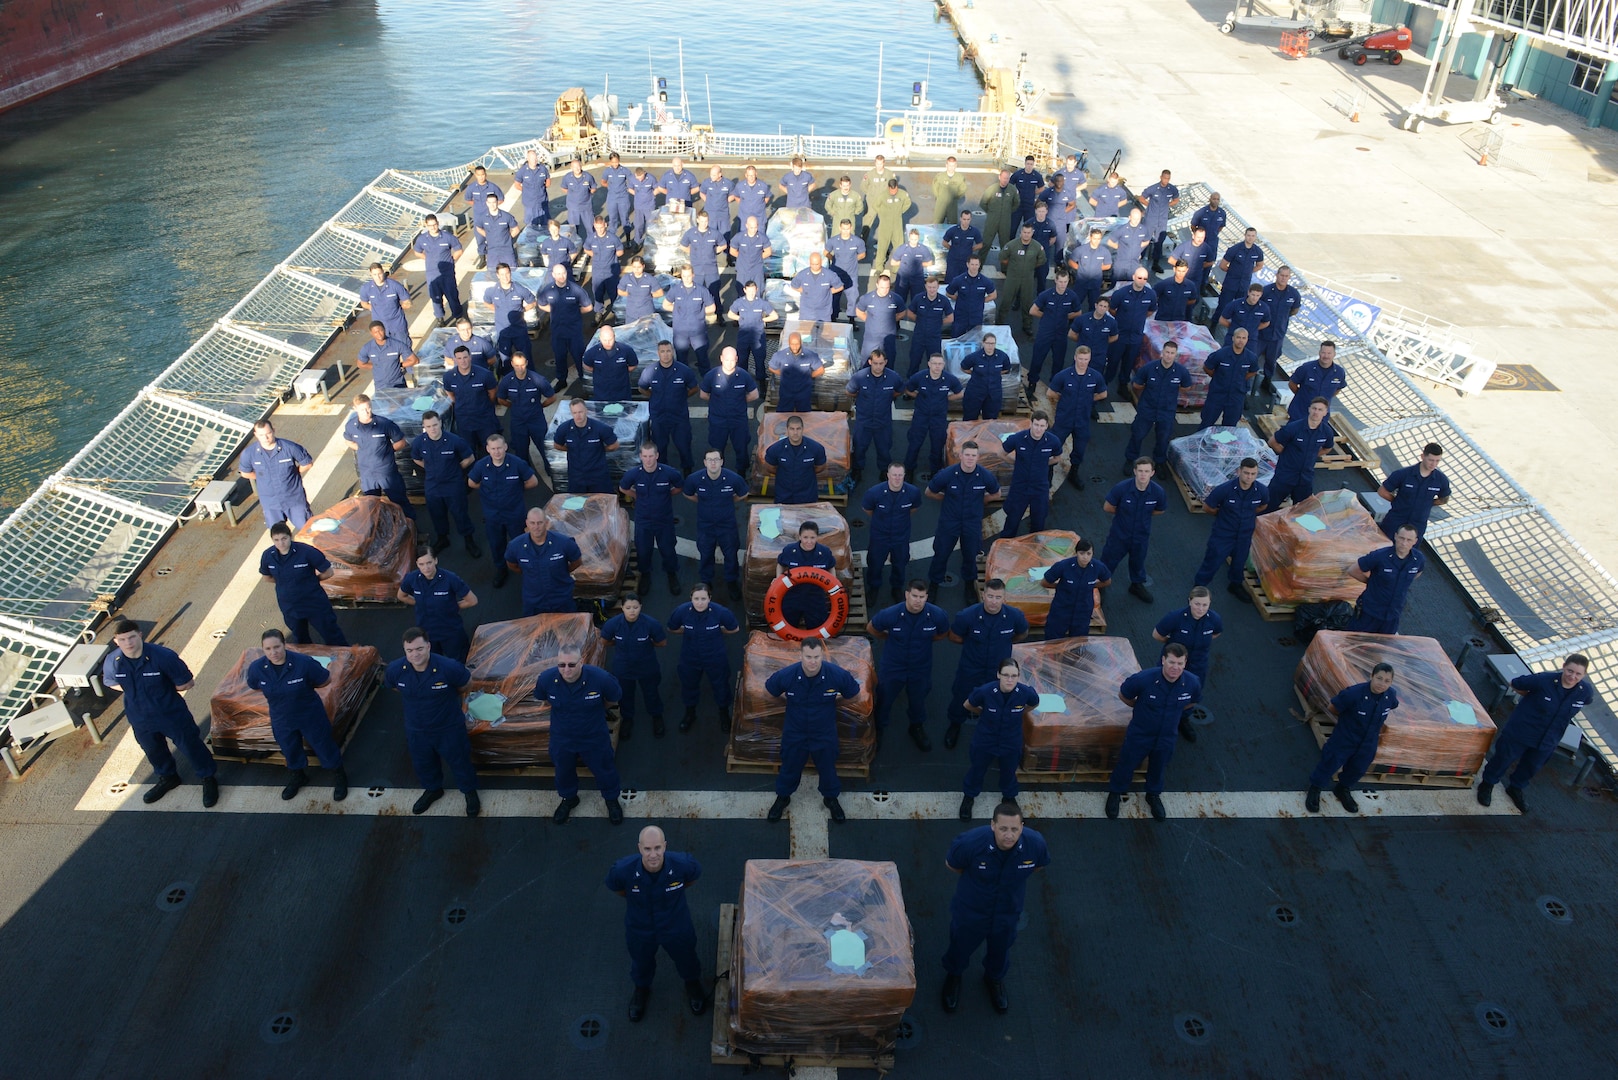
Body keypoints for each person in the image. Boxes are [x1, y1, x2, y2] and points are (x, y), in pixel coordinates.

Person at [941, 800, 1049, 1015]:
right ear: (992, 825)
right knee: (960, 945)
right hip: (971, 909)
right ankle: (954, 975)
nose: (1008, 835)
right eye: (1003, 829)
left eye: (1014, 829)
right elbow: (952, 865)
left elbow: (1038, 866)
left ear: (1022, 826)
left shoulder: (1035, 844)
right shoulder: (970, 843)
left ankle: (994, 978)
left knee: (1001, 949)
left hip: (1007, 912)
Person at [103, 620, 218, 807]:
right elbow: (112, 683)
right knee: (153, 750)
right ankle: (168, 777)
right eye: (122, 639)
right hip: (140, 719)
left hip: (171, 715)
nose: (128, 642)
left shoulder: (162, 656)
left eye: (132, 637)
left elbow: (186, 683)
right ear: (116, 641)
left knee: (191, 746)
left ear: (140, 635)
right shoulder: (113, 662)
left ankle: (208, 777)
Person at [607, 826, 706, 1022]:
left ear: (665, 846)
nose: (653, 855)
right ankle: (641, 989)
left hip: (676, 925)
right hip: (640, 928)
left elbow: (692, 878)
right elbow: (618, 889)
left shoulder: (683, 864)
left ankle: (692, 984)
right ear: (639, 848)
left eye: (658, 848)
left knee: (687, 957)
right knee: (641, 961)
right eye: (647, 849)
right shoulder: (622, 870)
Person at [1478, 654, 1594, 812]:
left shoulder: (1584, 691)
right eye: (1569, 670)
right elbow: (1516, 683)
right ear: (1563, 666)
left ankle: (1515, 788)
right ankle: (1488, 784)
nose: (1572, 676)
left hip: (1549, 738)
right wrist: (1531, 696)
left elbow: (1587, 701)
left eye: (1578, 674)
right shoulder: (1544, 680)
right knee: (1503, 758)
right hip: (1522, 731)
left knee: (1531, 766)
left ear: (1584, 675)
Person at [763, 638, 861, 823]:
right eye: (808, 656)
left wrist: (835, 703)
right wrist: (787, 703)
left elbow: (854, 695)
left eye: (816, 657)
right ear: (800, 655)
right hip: (795, 732)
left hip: (824, 733)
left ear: (822, 656)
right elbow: (768, 693)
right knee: (789, 767)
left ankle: (830, 798)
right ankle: (783, 797)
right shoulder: (787, 675)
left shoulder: (836, 675)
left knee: (827, 768)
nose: (812, 661)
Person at [247, 628, 347, 801]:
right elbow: (254, 684)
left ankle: (338, 774)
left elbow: (325, 679)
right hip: (281, 718)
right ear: (262, 650)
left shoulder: (303, 663)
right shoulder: (257, 668)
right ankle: (298, 775)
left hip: (309, 714)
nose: (274, 652)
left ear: (284, 645)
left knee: (323, 745)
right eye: (268, 649)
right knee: (289, 748)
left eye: (277, 647)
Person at [387, 627, 478, 816]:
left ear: (428, 646)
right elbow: (395, 688)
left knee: (460, 761)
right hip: (417, 729)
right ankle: (433, 789)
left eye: (419, 649)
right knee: (423, 763)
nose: (415, 655)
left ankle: (469, 792)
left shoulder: (449, 667)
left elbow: (466, 684)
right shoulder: (396, 670)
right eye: (410, 651)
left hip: (448, 727)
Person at [1106, 643, 1202, 821]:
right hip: (1140, 733)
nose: (1175, 667)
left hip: (1167, 736)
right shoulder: (1144, 679)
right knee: (1126, 764)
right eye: (1172, 662)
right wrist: (1139, 707)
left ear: (1185, 663)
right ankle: (1115, 792)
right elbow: (1124, 694)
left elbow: (1191, 702)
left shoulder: (1192, 683)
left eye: (1180, 663)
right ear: (1163, 660)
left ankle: (1153, 795)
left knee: (1158, 767)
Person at [535, 649, 625, 825]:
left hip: (593, 737)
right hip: (562, 738)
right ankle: (569, 798)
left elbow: (613, 699)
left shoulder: (601, 679)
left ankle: (611, 799)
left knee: (604, 769)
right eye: (561, 665)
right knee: (563, 771)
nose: (566, 670)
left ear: (581, 661)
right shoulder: (546, 679)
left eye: (571, 664)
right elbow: (545, 701)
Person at [1304, 662, 1399, 815]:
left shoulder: (1390, 696)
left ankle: (1342, 788)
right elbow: (1333, 707)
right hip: (1346, 737)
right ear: (1371, 676)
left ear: (1391, 682)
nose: (1382, 684)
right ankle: (1316, 787)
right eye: (1379, 678)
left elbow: (1393, 706)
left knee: (1358, 768)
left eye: (1387, 681)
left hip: (1368, 742)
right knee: (1330, 762)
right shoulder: (1354, 693)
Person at [944, 580, 1029, 750]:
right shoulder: (967, 616)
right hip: (971, 667)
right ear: (983, 595)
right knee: (961, 696)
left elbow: (1022, 633)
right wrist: (971, 646)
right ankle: (955, 725)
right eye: (990, 596)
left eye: (998, 597)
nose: (993, 601)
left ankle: (992, 731)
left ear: (1004, 598)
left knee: (997, 700)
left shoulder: (1015, 616)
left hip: (997, 671)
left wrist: (1003, 645)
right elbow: (954, 636)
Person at [869, 580, 950, 750]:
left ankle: (916, 727)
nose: (917, 600)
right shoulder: (890, 614)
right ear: (907, 594)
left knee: (918, 699)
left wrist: (926, 641)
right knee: (884, 698)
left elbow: (942, 633)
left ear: (927, 597)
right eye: (914, 595)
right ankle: (879, 728)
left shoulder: (938, 615)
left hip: (920, 666)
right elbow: (872, 628)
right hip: (893, 666)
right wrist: (889, 638)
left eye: (921, 597)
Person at [959, 659, 1042, 819]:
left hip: (1010, 740)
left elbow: (1034, 704)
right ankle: (969, 796)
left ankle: (1009, 796)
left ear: (1018, 676)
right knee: (977, 768)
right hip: (985, 739)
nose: (1010, 680)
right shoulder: (985, 691)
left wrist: (1020, 713)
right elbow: (968, 705)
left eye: (1014, 676)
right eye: (1006, 675)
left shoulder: (1025, 693)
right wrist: (984, 714)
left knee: (1009, 770)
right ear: (998, 674)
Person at [927, 442, 1002, 600]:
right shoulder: (947, 474)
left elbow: (996, 494)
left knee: (970, 555)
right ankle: (934, 583)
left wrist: (980, 501)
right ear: (960, 455)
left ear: (978, 457)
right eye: (967, 455)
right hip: (949, 522)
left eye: (973, 455)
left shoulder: (985, 476)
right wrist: (946, 499)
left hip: (972, 523)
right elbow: (929, 491)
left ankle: (969, 585)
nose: (970, 458)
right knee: (941, 553)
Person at [258, 521, 346, 646]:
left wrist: (311, 581)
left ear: (290, 537)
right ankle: (307, 663)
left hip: (314, 602)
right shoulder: (268, 556)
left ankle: (348, 662)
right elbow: (267, 577)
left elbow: (328, 572)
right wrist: (286, 583)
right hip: (290, 606)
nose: (281, 543)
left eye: (284, 538)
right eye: (276, 540)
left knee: (331, 634)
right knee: (300, 639)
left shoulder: (307, 552)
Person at [468, 432, 539, 587]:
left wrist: (517, 490)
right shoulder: (481, 466)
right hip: (492, 515)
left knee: (520, 542)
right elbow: (472, 483)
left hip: (515, 513)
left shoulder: (517, 463)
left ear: (505, 447)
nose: (497, 452)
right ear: (487, 449)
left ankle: (525, 568)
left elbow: (533, 481)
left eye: (499, 448)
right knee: (496, 543)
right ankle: (501, 569)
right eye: (493, 448)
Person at [667, 583, 740, 733]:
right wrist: (687, 631)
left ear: (710, 599)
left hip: (715, 656)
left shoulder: (721, 612)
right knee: (688, 684)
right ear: (691, 598)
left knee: (721, 685)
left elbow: (734, 628)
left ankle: (724, 714)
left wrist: (718, 632)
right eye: (696, 598)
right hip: (690, 656)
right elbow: (672, 628)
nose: (700, 602)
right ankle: (690, 713)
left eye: (703, 598)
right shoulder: (681, 611)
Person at [1152, 587, 1223, 742]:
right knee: (1162, 691)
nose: (1201, 608)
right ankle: (1157, 720)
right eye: (1197, 604)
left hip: (1198, 666)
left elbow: (1216, 633)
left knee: (1191, 695)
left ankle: (1182, 720)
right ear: (1189, 601)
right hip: (1173, 665)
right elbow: (1157, 634)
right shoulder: (1175, 617)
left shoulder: (1214, 619)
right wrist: (1171, 645)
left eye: (1205, 605)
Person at [1194, 457, 1270, 600]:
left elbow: (1262, 506)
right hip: (1224, 533)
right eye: (1246, 473)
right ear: (1239, 471)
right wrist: (1222, 514)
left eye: (1253, 474)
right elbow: (1207, 507)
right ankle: (1199, 586)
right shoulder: (1224, 490)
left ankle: (1235, 584)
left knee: (1239, 561)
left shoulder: (1261, 490)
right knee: (1213, 559)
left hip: (1244, 535)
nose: (1249, 477)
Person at [413, 405, 479, 557]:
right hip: (432, 486)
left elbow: (470, 458)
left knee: (460, 513)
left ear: (440, 423)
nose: (433, 429)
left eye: (435, 425)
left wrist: (456, 469)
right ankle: (443, 539)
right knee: (437, 514)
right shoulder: (419, 442)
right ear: (424, 427)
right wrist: (430, 469)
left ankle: (469, 540)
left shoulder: (454, 441)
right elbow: (416, 458)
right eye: (428, 426)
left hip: (453, 485)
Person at [620, 442, 684, 596]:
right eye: (645, 456)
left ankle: (671, 574)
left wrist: (666, 495)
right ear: (641, 457)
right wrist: (637, 496)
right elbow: (623, 487)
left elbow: (680, 487)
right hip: (644, 521)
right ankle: (645, 575)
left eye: (651, 456)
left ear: (657, 456)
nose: (648, 460)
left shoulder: (669, 473)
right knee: (643, 551)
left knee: (668, 550)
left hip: (664, 520)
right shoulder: (633, 474)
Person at [600, 595, 667, 738]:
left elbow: (662, 643)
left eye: (635, 607)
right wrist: (618, 644)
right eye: (628, 608)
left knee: (651, 692)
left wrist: (647, 645)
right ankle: (627, 719)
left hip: (647, 666)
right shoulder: (613, 624)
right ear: (622, 608)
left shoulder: (651, 624)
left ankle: (656, 715)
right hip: (623, 668)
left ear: (641, 607)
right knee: (625, 694)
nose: (632, 611)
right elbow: (604, 641)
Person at [684, 449, 749, 598]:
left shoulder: (734, 479)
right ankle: (706, 582)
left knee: (731, 554)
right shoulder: (695, 479)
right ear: (705, 462)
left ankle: (732, 581)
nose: (713, 463)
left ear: (721, 461)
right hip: (705, 526)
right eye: (710, 460)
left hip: (727, 525)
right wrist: (704, 502)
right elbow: (688, 493)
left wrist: (728, 501)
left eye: (716, 459)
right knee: (706, 554)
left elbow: (743, 493)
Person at [1102, 458, 1168, 603]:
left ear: (1152, 473)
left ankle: (1136, 585)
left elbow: (1160, 510)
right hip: (1119, 534)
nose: (1143, 475)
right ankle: (1100, 585)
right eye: (1140, 471)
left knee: (1138, 561)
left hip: (1141, 535)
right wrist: (1123, 515)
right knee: (1109, 560)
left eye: (1146, 471)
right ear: (1134, 471)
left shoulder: (1158, 492)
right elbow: (1108, 506)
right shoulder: (1122, 488)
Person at [397, 549, 476, 662]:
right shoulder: (412, 578)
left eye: (429, 563)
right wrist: (420, 603)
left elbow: (472, 600)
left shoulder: (450, 578)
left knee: (460, 662)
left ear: (435, 560)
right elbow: (401, 596)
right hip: (426, 633)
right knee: (432, 662)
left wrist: (451, 607)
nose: (426, 567)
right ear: (417, 564)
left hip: (450, 631)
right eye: (421, 564)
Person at [1046, 346, 1108, 490]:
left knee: (1079, 449)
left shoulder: (1095, 376)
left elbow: (1103, 393)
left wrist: (1089, 400)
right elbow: (1050, 393)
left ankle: (1074, 472)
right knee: (1054, 446)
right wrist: (1063, 399)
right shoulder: (1064, 375)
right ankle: (1048, 474)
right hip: (1064, 419)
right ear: (1075, 357)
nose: (1082, 362)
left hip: (1082, 420)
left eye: (1086, 359)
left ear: (1089, 359)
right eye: (1080, 359)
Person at [341, 394, 413, 517]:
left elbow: (401, 442)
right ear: (355, 409)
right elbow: (348, 441)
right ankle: (378, 529)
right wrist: (363, 449)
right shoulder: (351, 426)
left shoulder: (384, 424)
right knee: (371, 504)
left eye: (368, 408)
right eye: (362, 409)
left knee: (399, 500)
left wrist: (387, 451)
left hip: (386, 471)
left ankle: (410, 524)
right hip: (367, 473)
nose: (366, 411)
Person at [1124, 341, 1192, 470]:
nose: (1169, 355)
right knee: (1137, 434)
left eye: (1172, 353)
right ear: (1162, 353)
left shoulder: (1181, 371)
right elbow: (1137, 384)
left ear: (1175, 355)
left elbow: (1186, 387)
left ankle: (1159, 462)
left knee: (1163, 438)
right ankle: (1130, 459)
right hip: (1147, 408)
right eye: (1167, 352)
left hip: (1166, 411)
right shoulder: (1149, 368)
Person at [504, 507, 583, 617]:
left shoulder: (564, 543)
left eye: (540, 523)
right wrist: (528, 573)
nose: (536, 527)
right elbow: (512, 564)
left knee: (567, 628)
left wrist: (563, 572)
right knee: (534, 631)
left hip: (561, 598)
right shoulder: (516, 546)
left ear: (546, 523)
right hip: (534, 600)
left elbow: (577, 561)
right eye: (532, 523)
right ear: (527, 523)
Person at [862, 462, 923, 603]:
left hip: (900, 536)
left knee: (900, 563)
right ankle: (874, 587)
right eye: (894, 475)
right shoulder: (874, 493)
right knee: (875, 563)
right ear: (888, 475)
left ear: (904, 476)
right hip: (879, 536)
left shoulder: (913, 492)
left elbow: (913, 508)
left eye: (900, 475)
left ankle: (897, 587)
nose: (897, 478)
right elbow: (867, 509)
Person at [1347, 524, 1425, 634]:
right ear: (1396, 536)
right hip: (1370, 612)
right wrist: (1371, 583)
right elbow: (1353, 570)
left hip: (1392, 615)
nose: (1404, 543)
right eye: (1402, 538)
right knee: (1356, 642)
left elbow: (1418, 573)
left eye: (1409, 540)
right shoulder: (1380, 556)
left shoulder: (1418, 559)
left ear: (1415, 541)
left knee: (1384, 646)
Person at [238, 420, 314, 531]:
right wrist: (262, 478)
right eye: (261, 435)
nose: (265, 437)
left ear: (273, 431)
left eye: (268, 433)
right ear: (255, 435)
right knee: (278, 535)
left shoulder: (290, 448)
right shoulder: (249, 453)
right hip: (270, 503)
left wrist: (293, 473)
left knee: (308, 530)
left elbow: (307, 464)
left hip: (294, 498)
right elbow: (245, 473)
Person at [999, 412, 1063, 538]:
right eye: (1036, 425)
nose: (1038, 429)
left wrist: (1044, 463)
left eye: (1042, 426)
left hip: (1039, 488)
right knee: (1012, 519)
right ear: (1031, 424)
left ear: (1046, 426)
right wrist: (1016, 463)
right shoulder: (1018, 438)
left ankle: (1033, 549)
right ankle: (1004, 545)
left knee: (1038, 521)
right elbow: (1001, 453)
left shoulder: (1053, 441)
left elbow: (1057, 458)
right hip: (1020, 487)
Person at [1266, 397, 1336, 509]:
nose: (1316, 412)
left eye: (1320, 410)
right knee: (1268, 505)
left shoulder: (1326, 432)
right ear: (1309, 409)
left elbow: (1328, 447)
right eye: (1314, 408)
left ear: (1325, 412)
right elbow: (1272, 442)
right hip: (1285, 474)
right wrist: (1285, 454)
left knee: (1302, 510)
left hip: (1305, 478)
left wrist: (1313, 456)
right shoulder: (1293, 428)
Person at [846, 348, 904, 482]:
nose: (878, 367)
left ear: (886, 362)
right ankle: (857, 470)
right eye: (876, 363)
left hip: (883, 421)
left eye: (881, 363)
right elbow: (850, 392)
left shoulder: (893, 377)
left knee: (884, 448)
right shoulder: (859, 377)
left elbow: (899, 390)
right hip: (864, 421)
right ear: (870, 362)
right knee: (859, 447)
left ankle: (884, 470)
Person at [640, 340, 698, 475]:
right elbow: (642, 388)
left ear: (672, 352)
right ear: (658, 353)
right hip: (659, 416)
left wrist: (682, 397)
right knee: (660, 446)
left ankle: (687, 470)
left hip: (679, 416)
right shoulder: (650, 371)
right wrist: (655, 398)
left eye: (668, 351)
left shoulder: (684, 371)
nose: (665, 355)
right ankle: (662, 472)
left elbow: (694, 388)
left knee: (684, 445)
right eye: (662, 351)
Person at [700, 346, 760, 474]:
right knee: (716, 449)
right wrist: (717, 402)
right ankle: (717, 473)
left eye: (732, 360)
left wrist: (738, 402)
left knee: (741, 447)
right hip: (718, 421)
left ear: (737, 359)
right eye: (726, 360)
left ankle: (741, 474)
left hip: (738, 420)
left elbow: (754, 394)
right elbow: (703, 394)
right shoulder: (712, 376)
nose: (729, 363)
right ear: (721, 358)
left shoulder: (744, 376)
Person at [495, 353, 557, 473]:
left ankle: (551, 471)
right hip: (518, 422)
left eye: (522, 365)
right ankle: (525, 474)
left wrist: (540, 406)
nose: (520, 368)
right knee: (520, 450)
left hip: (536, 420)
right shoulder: (507, 381)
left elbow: (552, 397)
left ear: (527, 363)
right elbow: (501, 399)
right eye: (517, 365)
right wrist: (513, 407)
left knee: (544, 447)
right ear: (512, 364)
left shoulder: (537, 379)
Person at [536, 261, 594, 386]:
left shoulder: (576, 290)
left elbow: (588, 307)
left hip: (574, 331)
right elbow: (541, 304)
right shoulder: (548, 290)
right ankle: (562, 380)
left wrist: (574, 312)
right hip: (557, 331)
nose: (561, 276)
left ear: (566, 273)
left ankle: (584, 379)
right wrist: (555, 310)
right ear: (553, 275)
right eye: (558, 274)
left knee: (579, 356)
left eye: (563, 273)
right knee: (559, 356)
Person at [905, 352, 963, 477]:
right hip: (921, 416)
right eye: (934, 364)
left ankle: (935, 472)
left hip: (938, 418)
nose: (937, 366)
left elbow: (960, 393)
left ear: (943, 365)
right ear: (929, 364)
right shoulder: (919, 377)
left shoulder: (949, 379)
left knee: (937, 445)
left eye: (940, 364)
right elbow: (908, 389)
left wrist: (946, 399)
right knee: (915, 443)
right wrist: (919, 397)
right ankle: (909, 470)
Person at [1040, 538, 1110, 640]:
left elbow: (1107, 581)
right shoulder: (1063, 566)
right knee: (1053, 638)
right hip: (1061, 609)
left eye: (1088, 553)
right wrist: (1060, 587)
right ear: (1076, 553)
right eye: (1082, 553)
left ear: (1092, 554)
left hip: (1083, 611)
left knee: (1078, 641)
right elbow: (1044, 582)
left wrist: (1090, 586)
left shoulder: (1098, 567)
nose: (1085, 557)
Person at [1376, 444, 1451, 541]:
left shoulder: (1441, 480)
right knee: (1385, 547)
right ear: (1423, 456)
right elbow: (1382, 491)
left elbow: (1444, 499)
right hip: (1395, 520)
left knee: (1410, 552)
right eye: (1431, 460)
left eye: (1437, 461)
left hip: (1418, 525)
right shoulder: (1403, 474)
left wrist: (1427, 504)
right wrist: (1397, 501)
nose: (1434, 464)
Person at [775, 520, 838, 630]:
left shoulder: (824, 552)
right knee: (788, 625)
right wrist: (778, 579)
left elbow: (831, 567)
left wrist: (833, 582)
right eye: (805, 537)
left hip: (815, 596)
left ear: (817, 537)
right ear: (799, 537)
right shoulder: (790, 550)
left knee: (816, 628)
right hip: (792, 595)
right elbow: (780, 564)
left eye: (812, 538)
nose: (809, 541)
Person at [552, 397, 621, 494]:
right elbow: (557, 445)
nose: (578, 416)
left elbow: (615, 445)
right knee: (577, 505)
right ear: (571, 413)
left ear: (586, 411)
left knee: (602, 503)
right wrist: (571, 449)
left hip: (598, 476)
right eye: (574, 413)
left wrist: (600, 449)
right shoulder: (564, 429)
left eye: (580, 412)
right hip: (576, 477)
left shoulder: (600, 428)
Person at [1028, 267, 1082, 389]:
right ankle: (1032, 382)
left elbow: (1078, 312)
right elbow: (1033, 310)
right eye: (1061, 281)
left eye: (1065, 282)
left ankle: (1055, 385)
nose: (1063, 285)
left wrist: (1065, 317)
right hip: (1045, 332)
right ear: (1055, 281)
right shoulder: (1046, 295)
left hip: (1061, 333)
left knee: (1059, 361)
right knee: (1037, 358)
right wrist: (1046, 316)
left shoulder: (1072, 296)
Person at [442, 346, 500, 456]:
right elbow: (451, 394)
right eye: (459, 358)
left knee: (490, 448)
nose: (463, 361)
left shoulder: (484, 374)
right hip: (464, 421)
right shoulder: (449, 377)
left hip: (484, 419)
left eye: (465, 357)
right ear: (454, 360)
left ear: (470, 357)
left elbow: (492, 393)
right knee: (468, 450)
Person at [1198, 326, 1258, 429]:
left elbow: (1253, 371)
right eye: (1238, 337)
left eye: (1244, 338)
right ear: (1233, 338)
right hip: (1217, 394)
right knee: (1207, 423)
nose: (1241, 341)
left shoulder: (1251, 357)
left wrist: (1241, 380)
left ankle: (1224, 444)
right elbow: (1207, 367)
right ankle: (1200, 443)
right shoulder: (1221, 354)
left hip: (1236, 396)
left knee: (1230, 427)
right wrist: (1217, 378)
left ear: (1247, 340)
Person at [663, 263, 716, 375]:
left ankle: (706, 382)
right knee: (681, 360)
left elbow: (712, 307)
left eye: (688, 275)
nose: (686, 278)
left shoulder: (702, 290)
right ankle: (683, 382)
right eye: (684, 276)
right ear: (681, 276)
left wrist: (699, 312)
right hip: (680, 331)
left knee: (702, 357)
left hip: (698, 331)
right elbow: (665, 305)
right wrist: (677, 309)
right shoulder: (675, 290)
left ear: (693, 275)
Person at [412, 214, 464, 325]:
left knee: (452, 295)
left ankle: (458, 316)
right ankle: (440, 319)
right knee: (435, 297)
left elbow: (459, 250)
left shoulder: (447, 237)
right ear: (426, 225)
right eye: (430, 225)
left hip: (447, 274)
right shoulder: (422, 239)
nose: (433, 227)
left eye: (434, 224)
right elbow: (417, 252)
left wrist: (450, 260)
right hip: (432, 274)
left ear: (438, 224)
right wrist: (427, 259)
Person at [1108, 268, 1158, 381]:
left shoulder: (1150, 295)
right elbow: (1112, 309)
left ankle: (1123, 385)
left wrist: (1138, 318)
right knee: (1113, 361)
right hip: (1119, 335)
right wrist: (1123, 318)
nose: (1142, 281)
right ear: (1133, 277)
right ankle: (1105, 385)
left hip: (1136, 336)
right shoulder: (1121, 293)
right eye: (1139, 278)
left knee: (1129, 363)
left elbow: (1151, 310)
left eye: (1145, 279)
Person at [764, 414, 827, 504]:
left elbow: (821, 467)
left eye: (798, 429)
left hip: (807, 496)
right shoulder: (775, 449)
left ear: (803, 429)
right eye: (792, 429)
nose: (795, 432)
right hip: (784, 496)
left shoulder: (816, 448)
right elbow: (770, 467)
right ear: (787, 430)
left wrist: (802, 473)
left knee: (807, 518)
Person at [484, 262, 538, 368]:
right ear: (498, 275)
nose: (505, 277)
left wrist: (523, 310)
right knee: (505, 361)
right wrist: (498, 310)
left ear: (510, 273)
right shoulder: (492, 291)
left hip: (519, 331)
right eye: (502, 274)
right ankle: (509, 381)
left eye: (507, 273)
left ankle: (530, 379)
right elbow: (486, 302)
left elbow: (533, 302)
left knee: (525, 358)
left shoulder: (520, 289)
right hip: (503, 332)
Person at [1258, 265, 1303, 392]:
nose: (1283, 278)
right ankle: (1246, 382)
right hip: (1261, 333)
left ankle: (1266, 382)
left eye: (1286, 276)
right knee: (1252, 357)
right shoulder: (1266, 291)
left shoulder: (1293, 294)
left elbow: (1294, 310)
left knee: (1272, 361)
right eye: (1281, 275)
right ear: (1277, 275)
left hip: (1278, 335)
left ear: (1289, 278)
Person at [724, 278, 777, 385]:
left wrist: (762, 320)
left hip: (758, 337)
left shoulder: (762, 303)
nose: (751, 293)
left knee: (759, 361)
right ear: (745, 290)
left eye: (753, 291)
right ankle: (741, 383)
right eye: (749, 290)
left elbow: (774, 316)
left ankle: (761, 383)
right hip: (743, 336)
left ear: (756, 290)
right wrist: (740, 318)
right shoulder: (739, 302)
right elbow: (730, 314)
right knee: (742, 361)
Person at [997, 224, 1046, 337]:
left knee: (1027, 303)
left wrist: (1030, 267)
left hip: (1028, 278)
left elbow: (1041, 260)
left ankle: (1027, 325)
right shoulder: (1012, 245)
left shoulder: (1037, 246)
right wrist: (1011, 266)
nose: (1026, 235)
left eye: (1028, 233)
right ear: (1021, 232)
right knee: (1006, 301)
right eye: (1024, 232)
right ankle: (999, 323)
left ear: (1032, 233)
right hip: (1013, 277)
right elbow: (1002, 257)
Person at [678, 210, 726, 319]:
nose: (704, 223)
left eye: (706, 221)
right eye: (702, 221)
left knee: (714, 292)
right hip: (696, 269)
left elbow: (723, 245)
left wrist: (714, 251)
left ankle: (719, 314)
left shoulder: (714, 233)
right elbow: (683, 245)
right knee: (695, 293)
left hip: (711, 269)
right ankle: (696, 315)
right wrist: (692, 252)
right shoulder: (691, 233)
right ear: (698, 220)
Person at [903, 276, 954, 377]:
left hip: (934, 338)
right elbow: (909, 313)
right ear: (925, 286)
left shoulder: (943, 300)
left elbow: (950, 318)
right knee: (914, 362)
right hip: (919, 336)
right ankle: (911, 387)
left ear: (938, 287)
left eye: (934, 287)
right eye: (929, 287)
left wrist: (938, 323)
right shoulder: (918, 298)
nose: (932, 290)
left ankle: (931, 384)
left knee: (934, 365)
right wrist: (919, 320)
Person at [1286, 340, 1346, 422]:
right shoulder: (1306, 368)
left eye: (1329, 353)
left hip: (1320, 417)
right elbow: (1292, 384)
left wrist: (1326, 398)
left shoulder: (1339, 372)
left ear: (1334, 354)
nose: (1326, 356)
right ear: (1319, 353)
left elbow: (1338, 388)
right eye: (1323, 353)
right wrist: (1301, 396)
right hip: (1300, 413)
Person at [768, 333, 826, 415]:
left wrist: (807, 376)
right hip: (786, 393)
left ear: (801, 342)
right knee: (783, 416)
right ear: (788, 343)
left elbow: (820, 370)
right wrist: (783, 374)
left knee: (804, 417)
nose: (795, 347)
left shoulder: (810, 355)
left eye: (797, 344)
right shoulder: (780, 355)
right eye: (792, 344)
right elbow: (771, 367)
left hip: (803, 393)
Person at [1068, 297, 1120, 389]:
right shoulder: (1082, 319)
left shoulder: (1111, 322)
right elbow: (1071, 334)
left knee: (1095, 377)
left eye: (1105, 306)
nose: (1102, 308)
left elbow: (1114, 336)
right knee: (1076, 374)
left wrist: (1102, 343)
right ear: (1095, 305)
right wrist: (1081, 342)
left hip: (1099, 356)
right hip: (1082, 355)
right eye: (1100, 305)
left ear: (1108, 309)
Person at [1215, 226, 1265, 320]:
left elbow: (1260, 265)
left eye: (1253, 236)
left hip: (1244, 285)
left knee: (1242, 309)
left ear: (1255, 237)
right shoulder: (1235, 249)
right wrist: (1232, 272)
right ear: (1245, 236)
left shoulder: (1257, 251)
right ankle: (1214, 325)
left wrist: (1248, 272)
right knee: (1223, 306)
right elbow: (1222, 265)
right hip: (1231, 284)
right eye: (1249, 235)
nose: (1250, 238)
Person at [854, 275, 904, 367]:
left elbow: (902, 312)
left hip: (889, 338)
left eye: (887, 287)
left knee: (889, 363)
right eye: (882, 287)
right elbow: (859, 312)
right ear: (877, 285)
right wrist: (870, 321)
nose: (884, 290)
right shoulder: (867, 298)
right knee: (866, 363)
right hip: (871, 338)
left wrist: (890, 320)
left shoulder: (896, 299)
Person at [960, 333, 1012, 421]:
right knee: (970, 418)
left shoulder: (1002, 356)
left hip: (993, 393)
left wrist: (994, 374)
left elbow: (1006, 369)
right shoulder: (974, 357)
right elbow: (964, 367)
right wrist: (975, 373)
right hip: (975, 391)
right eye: (988, 343)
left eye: (993, 343)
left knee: (990, 420)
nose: (990, 346)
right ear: (983, 343)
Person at [581, 322, 638, 401]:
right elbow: (586, 364)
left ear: (614, 337)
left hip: (622, 393)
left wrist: (621, 371)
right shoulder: (592, 352)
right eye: (604, 340)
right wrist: (601, 371)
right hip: (601, 394)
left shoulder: (626, 350)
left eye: (610, 339)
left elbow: (633, 365)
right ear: (600, 338)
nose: (607, 343)